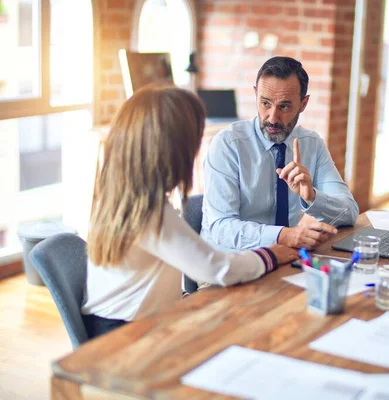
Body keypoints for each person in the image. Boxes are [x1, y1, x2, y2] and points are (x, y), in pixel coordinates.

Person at [82, 85, 297, 338]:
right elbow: (216, 269)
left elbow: (153, 270)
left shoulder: (119, 195)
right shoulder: (150, 212)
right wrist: (272, 254)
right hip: (127, 335)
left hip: (125, 321)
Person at [201, 56, 359, 251]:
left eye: (284, 106)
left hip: (283, 261)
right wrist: (284, 236)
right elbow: (221, 228)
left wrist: (312, 197)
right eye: (265, 103)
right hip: (230, 264)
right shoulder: (228, 145)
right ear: (256, 94)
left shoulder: (312, 144)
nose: (273, 118)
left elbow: (349, 212)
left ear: (303, 104)